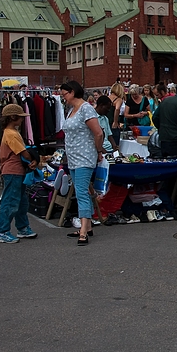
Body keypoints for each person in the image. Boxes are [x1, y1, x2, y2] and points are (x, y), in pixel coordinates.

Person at [60, 80, 104, 246]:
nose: (63, 98)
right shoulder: (72, 110)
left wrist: (98, 151)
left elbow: (98, 133)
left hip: (84, 156)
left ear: (72, 92)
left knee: (81, 192)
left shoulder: (86, 108)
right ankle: (88, 225)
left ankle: (84, 230)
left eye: (64, 94)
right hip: (73, 157)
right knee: (82, 190)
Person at [0, 103, 39, 243]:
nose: (22, 120)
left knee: (20, 201)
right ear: (13, 117)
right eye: (20, 117)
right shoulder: (12, 134)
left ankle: (22, 227)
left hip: (15, 170)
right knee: (11, 201)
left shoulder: (8, 132)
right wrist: (33, 159)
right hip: (13, 170)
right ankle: (3, 231)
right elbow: (23, 153)